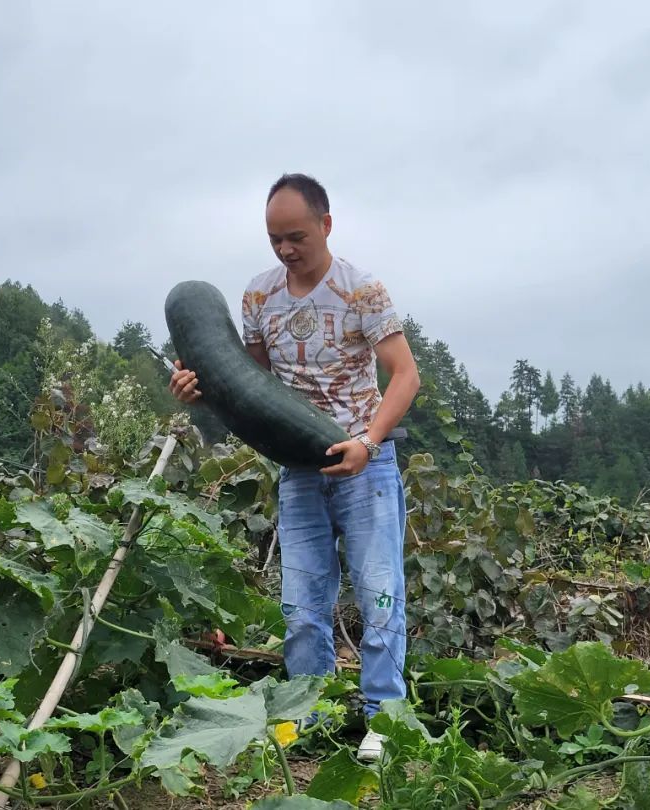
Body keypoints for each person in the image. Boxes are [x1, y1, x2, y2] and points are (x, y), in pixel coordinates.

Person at [169, 173, 420, 761]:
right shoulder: (258, 297)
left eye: (296, 236)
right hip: (299, 468)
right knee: (302, 602)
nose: (285, 249)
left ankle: (385, 719)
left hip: (366, 464)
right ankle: (308, 711)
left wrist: (368, 440)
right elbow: (248, 388)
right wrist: (197, 390)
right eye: (274, 238)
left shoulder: (362, 290)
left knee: (380, 593)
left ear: (326, 225)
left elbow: (405, 375)